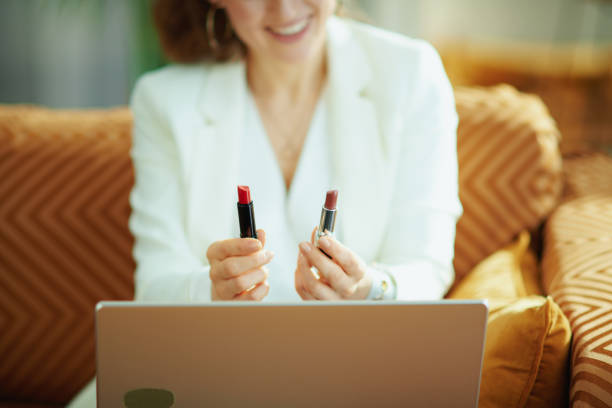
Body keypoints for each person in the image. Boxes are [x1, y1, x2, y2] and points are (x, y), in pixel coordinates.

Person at [68, 0, 461, 405]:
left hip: (354, 376)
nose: (284, 8)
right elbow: (153, 289)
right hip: (208, 376)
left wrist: (370, 288)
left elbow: (426, 267)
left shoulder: (411, 75)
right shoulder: (165, 101)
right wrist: (211, 289)